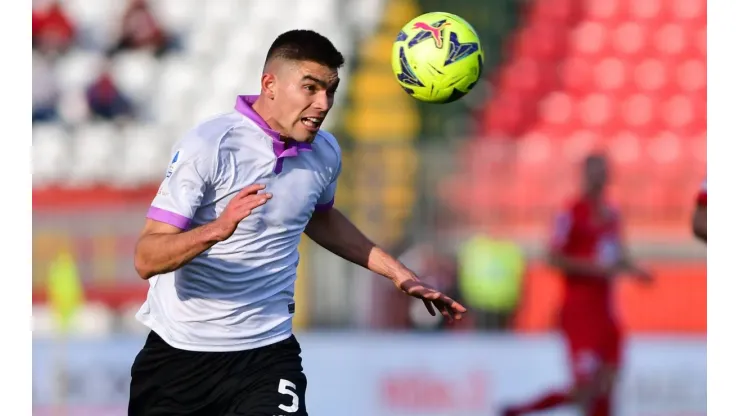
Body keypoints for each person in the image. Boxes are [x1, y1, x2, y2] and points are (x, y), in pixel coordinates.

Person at [128, 29, 466, 416]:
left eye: (330, 91)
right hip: (179, 358)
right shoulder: (209, 145)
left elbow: (318, 218)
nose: (323, 104)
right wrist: (216, 231)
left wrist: (397, 272)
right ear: (269, 84)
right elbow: (146, 257)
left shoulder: (324, 152)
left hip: (266, 355)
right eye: (310, 88)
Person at [501, 154, 652, 416]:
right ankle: (521, 411)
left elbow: (617, 254)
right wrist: (593, 268)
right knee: (584, 389)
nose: (599, 177)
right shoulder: (570, 211)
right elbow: (553, 256)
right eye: (594, 172)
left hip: (606, 312)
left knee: (607, 382)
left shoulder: (612, 212)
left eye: (603, 171)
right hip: (580, 313)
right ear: (584, 174)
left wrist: (635, 270)